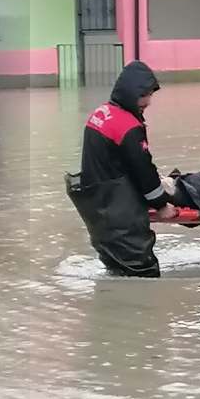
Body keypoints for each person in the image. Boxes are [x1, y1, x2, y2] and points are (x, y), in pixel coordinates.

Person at [65, 60, 178, 277]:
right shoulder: (128, 126)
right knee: (143, 277)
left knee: (116, 274)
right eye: (145, 95)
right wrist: (162, 205)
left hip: (98, 213)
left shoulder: (100, 113)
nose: (148, 101)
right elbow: (143, 171)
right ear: (131, 92)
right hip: (122, 218)